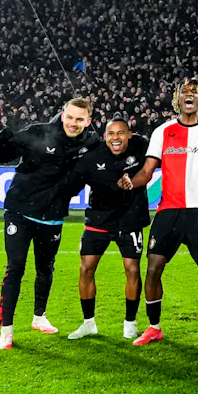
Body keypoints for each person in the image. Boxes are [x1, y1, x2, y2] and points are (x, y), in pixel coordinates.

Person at [125, 78, 198, 346]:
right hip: (168, 211)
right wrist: (130, 182)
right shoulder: (163, 132)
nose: (189, 96)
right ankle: (154, 327)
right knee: (153, 268)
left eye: (195, 92)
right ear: (177, 99)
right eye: (184, 92)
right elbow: (146, 171)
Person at [0, 97, 100, 350]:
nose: (73, 123)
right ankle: (6, 332)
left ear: (88, 121)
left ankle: (39, 317)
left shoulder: (91, 143)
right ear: (63, 115)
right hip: (20, 211)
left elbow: (105, 161)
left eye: (79, 119)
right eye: (70, 117)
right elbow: (0, 155)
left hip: (52, 215)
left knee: (46, 268)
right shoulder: (39, 132)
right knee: (15, 267)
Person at [58, 115, 150, 340]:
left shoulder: (141, 146)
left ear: (129, 134)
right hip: (99, 220)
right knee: (86, 269)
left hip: (130, 219)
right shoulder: (92, 156)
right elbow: (71, 184)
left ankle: (130, 322)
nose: (115, 137)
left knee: (133, 270)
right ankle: (88, 323)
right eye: (110, 133)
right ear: (104, 137)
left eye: (120, 133)